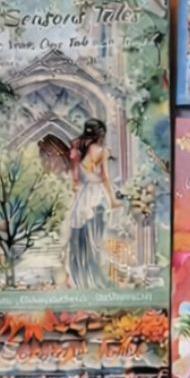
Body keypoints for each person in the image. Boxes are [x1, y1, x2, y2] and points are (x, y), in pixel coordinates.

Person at [65, 118, 115, 287]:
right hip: (97, 197)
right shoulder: (102, 151)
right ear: (100, 134)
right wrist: (113, 200)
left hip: (83, 198)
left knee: (80, 240)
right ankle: (96, 279)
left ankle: (81, 279)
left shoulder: (76, 150)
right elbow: (105, 177)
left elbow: (75, 179)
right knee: (96, 240)